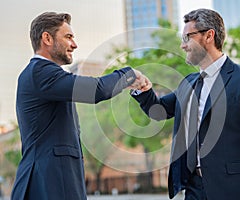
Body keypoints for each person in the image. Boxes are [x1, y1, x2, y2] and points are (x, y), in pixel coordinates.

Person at [131, 8, 240, 200]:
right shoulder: (188, 83)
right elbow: (159, 111)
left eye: (188, 37)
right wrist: (142, 89)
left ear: (209, 35)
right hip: (194, 190)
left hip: (233, 191)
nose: (182, 45)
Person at [11, 12, 149, 200]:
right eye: (68, 37)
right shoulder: (41, 72)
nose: (74, 44)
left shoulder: (41, 75)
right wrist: (129, 74)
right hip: (48, 182)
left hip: (49, 180)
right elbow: (96, 90)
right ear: (47, 38)